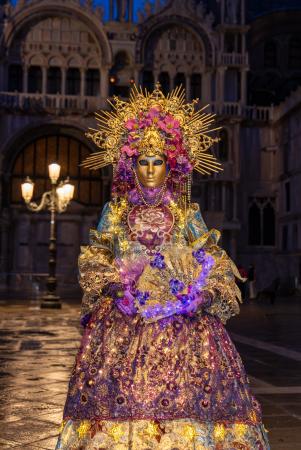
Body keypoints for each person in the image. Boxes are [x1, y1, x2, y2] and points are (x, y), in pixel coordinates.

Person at [55, 85, 270, 449]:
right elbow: (95, 255)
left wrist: (205, 290)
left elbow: (214, 256)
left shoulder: (185, 213)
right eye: (143, 161)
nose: (151, 170)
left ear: (171, 166)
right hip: (125, 318)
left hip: (183, 321)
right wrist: (115, 282)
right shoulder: (117, 212)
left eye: (158, 162)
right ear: (131, 164)